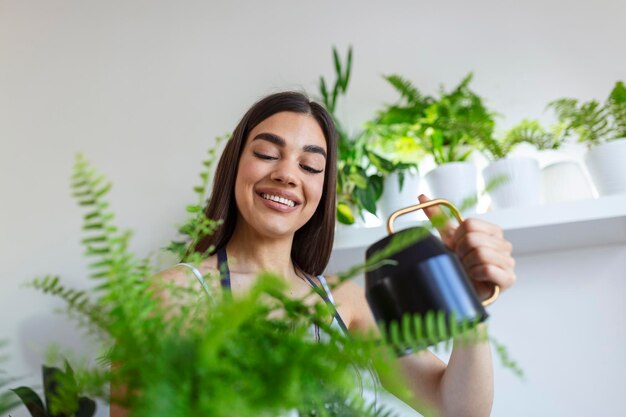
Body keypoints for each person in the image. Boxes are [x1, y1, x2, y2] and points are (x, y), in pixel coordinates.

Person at [110, 91, 516, 417]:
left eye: (310, 166)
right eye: (267, 154)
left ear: (322, 192)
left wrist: (467, 304)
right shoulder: (167, 298)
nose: (287, 174)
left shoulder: (346, 302)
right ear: (234, 165)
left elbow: (455, 409)